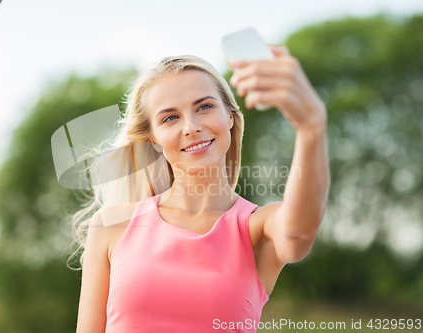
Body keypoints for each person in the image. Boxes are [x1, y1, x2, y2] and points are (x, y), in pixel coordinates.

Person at [72, 44, 330, 332]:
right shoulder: (110, 225)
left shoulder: (258, 228)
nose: (191, 127)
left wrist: (311, 127)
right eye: (170, 117)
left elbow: (299, 234)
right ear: (153, 138)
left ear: (230, 117)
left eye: (204, 107)